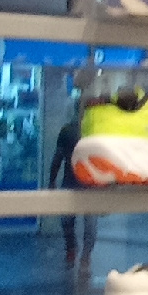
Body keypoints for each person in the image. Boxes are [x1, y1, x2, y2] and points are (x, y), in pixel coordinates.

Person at [48, 100, 95, 269]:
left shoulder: (69, 130)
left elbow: (58, 158)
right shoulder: (93, 131)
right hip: (89, 183)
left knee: (69, 220)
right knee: (88, 223)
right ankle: (83, 255)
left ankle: (73, 250)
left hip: (73, 181)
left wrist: (52, 180)